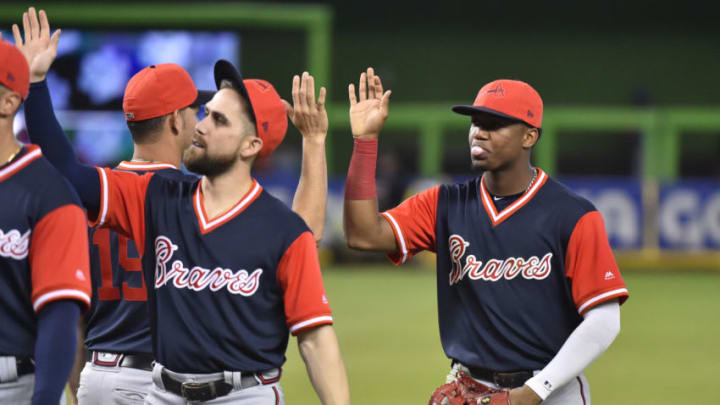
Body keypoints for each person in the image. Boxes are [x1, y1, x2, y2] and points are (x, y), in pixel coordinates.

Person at [16, 8, 339, 405]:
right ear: (174, 122)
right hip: (163, 379)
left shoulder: (112, 194)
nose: (200, 122)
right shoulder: (175, 196)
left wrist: (36, 85)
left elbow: (71, 308)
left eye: (214, 117)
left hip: (104, 369)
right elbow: (304, 229)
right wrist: (315, 144)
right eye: (197, 112)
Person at [343, 68, 629, 405]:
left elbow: (605, 318)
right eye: (476, 123)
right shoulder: (445, 205)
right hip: (470, 390)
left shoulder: (573, 215)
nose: (479, 133)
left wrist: (533, 393)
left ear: (529, 136)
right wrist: (365, 143)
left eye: (494, 124)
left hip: (551, 389)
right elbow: (363, 234)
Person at [0, 36, 91, 405]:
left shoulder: (50, 194)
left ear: (8, 102)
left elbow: (59, 313)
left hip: (13, 385)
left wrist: (46, 398)